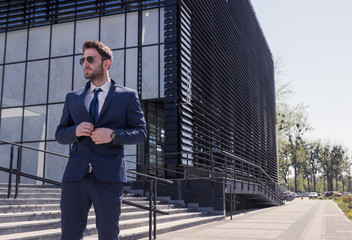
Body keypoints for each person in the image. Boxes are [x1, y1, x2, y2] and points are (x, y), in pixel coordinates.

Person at [55, 40, 147, 240]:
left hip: (108, 177)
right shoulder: (73, 97)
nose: (85, 64)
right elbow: (60, 134)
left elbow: (141, 133)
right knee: (69, 235)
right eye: (83, 60)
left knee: (108, 235)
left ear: (106, 63)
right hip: (75, 176)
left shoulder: (127, 96)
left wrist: (113, 135)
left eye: (90, 59)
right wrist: (75, 130)